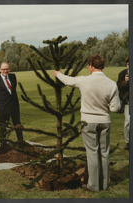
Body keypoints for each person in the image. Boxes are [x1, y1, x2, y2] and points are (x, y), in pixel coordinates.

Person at [54, 55, 121, 192]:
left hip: (88, 122)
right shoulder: (111, 84)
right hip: (105, 122)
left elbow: (68, 81)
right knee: (104, 153)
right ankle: (104, 184)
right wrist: (104, 107)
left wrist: (58, 74)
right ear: (102, 66)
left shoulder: (84, 81)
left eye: (88, 65)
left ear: (91, 65)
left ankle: (93, 186)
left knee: (92, 153)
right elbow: (115, 108)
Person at [0, 62, 23, 147]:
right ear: (0, 70)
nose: (5, 71)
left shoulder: (13, 76)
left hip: (14, 106)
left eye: (7, 69)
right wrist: (1, 100)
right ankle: (3, 145)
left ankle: (21, 142)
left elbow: (13, 90)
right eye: (3, 69)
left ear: (9, 69)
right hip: (3, 107)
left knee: (17, 124)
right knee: (3, 126)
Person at [117, 56, 130, 150]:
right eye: (128, 64)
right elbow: (118, 87)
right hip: (128, 102)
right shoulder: (122, 74)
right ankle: (128, 142)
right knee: (128, 122)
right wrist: (125, 82)